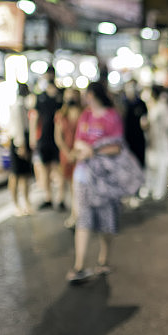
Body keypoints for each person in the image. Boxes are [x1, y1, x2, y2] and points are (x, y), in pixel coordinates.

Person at [67, 82, 125, 285]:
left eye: (86, 94)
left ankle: (104, 260)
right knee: (83, 219)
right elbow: (76, 144)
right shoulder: (86, 115)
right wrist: (80, 149)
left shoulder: (111, 116)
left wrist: (93, 150)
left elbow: (117, 147)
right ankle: (79, 266)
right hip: (83, 177)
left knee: (107, 220)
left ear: (92, 95)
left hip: (106, 178)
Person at [30, 69, 64, 209]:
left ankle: (60, 198)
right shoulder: (40, 96)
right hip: (44, 137)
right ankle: (48, 197)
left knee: (59, 169)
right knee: (45, 169)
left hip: (59, 138)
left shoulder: (61, 95)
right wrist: (33, 136)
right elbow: (35, 116)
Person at [54, 88, 82, 228]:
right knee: (72, 186)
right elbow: (58, 138)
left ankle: (81, 214)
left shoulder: (84, 114)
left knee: (81, 186)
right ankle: (74, 214)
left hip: (81, 154)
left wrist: (77, 152)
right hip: (67, 155)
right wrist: (68, 153)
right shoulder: (60, 115)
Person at [6, 83, 33, 216]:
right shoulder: (18, 106)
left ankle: (25, 203)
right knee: (16, 174)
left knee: (24, 175)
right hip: (18, 143)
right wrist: (20, 145)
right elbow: (18, 127)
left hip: (21, 142)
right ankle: (16, 204)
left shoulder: (22, 105)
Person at [144, 85, 168, 201]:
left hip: (161, 139)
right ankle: (151, 187)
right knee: (152, 164)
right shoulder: (154, 105)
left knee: (161, 166)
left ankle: (159, 190)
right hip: (152, 139)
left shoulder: (162, 106)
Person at [121, 79, 147, 168]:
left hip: (139, 138)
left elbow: (145, 120)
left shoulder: (141, 103)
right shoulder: (122, 104)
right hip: (126, 139)